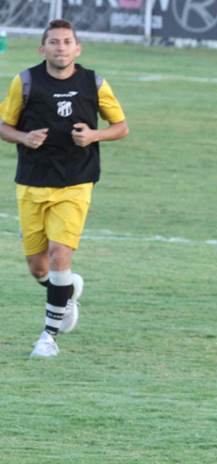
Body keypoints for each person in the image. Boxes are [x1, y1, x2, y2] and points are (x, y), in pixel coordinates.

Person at [0, 19, 129, 357]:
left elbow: (121, 126)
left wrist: (94, 135)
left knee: (60, 254)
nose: (61, 48)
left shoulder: (94, 83)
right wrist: (24, 137)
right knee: (38, 267)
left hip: (75, 180)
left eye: (67, 42)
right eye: (54, 43)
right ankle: (65, 291)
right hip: (32, 181)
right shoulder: (25, 81)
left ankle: (48, 337)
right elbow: (4, 125)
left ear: (78, 49)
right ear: (42, 49)